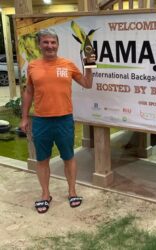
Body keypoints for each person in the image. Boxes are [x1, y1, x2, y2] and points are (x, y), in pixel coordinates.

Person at [20, 29, 95, 213]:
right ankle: (45, 195)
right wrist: (24, 117)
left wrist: (90, 65)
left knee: (68, 158)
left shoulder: (68, 64)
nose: (50, 46)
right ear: (40, 44)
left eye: (53, 42)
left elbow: (87, 83)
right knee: (42, 159)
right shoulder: (32, 66)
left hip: (64, 120)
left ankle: (72, 192)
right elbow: (28, 91)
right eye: (46, 42)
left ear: (58, 44)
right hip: (41, 122)